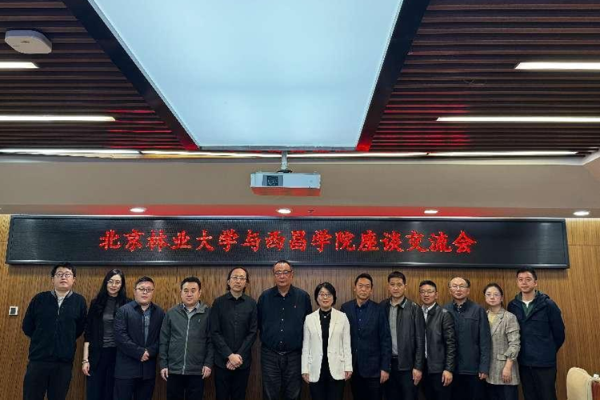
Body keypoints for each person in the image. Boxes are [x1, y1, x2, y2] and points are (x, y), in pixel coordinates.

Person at [22, 262, 87, 400]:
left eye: (67, 274)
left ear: (74, 279)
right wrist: (42, 339)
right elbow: (27, 326)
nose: (63, 277)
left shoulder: (79, 301)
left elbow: (79, 329)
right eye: (59, 274)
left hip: (63, 362)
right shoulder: (40, 299)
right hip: (38, 360)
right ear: (52, 279)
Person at [507, 267, 565, 400]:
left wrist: (548, 349)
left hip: (545, 362)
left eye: (528, 279)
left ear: (535, 282)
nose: (524, 282)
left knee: (548, 396)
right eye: (520, 279)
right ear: (517, 282)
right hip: (524, 362)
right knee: (529, 396)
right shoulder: (513, 305)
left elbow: (559, 333)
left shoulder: (548, 304)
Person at [257, 260, 312, 400]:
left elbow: (308, 326)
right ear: (274, 275)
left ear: (292, 274)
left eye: (285, 272)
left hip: (295, 355)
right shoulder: (264, 297)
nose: (282, 276)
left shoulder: (303, 297)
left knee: (294, 394)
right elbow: (259, 324)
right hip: (270, 354)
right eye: (278, 273)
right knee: (270, 394)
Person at [160, 276, 214, 400]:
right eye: (186, 291)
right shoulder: (171, 313)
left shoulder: (208, 313)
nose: (189, 294)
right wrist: (163, 364)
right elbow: (164, 340)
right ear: (181, 293)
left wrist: (208, 363)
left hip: (197, 370)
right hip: (174, 369)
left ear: (199, 293)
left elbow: (211, 341)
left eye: (193, 290)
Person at [341, 273, 392, 400]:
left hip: (374, 369)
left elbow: (385, 340)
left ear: (371, 290)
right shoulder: (345, 308)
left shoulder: (379, 309)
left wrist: (385, 368)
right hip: (354, 367)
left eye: (367, 286)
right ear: (355, 288)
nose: (363, 289)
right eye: (360, 286)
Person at [114, 276, 164, 400]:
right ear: (135, 291)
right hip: (126, 370)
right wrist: (139, 352)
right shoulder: (123, 311)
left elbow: (163, 338)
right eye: (141, 289)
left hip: (148, 370)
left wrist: (150, 351)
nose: (145, 292)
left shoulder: (160, 313)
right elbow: (120, 336)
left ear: (153, 292)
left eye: (149, 289)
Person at [210, 267, 257, 400]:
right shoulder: (218, 303)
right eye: (235, 277)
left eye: (242, 278)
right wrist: (230, 356)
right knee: (221, 396)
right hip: (222, 361)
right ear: (228, 282)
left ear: (246, 283)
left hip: (243, 362)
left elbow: (253, 332)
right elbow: (214, 332)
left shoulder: (252, 304)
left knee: (240, 396)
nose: (238, 281)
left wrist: (238, 356)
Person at [83, 269, 130, 400]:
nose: (114, 285)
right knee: (94, 393)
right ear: (106, 283)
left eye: (117, 282)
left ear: (122, 284)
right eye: (111, 281)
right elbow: (88, 333)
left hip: (118, 355)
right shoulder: (96, 303)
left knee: (112, 393)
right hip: (97, 354)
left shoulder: (128, 304)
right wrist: (85, 360)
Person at [301, 282, 352, 400]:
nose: (325, 297)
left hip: (337, 367)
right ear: (316, 297)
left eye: (328, 294)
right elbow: (306, 346)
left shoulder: (342, 317)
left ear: (333, 297)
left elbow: (346, 344)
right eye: (321, 294)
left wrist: (348, 367)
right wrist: (305, 369)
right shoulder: (309, 318)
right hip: (315, 368)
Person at [444, 277, 491, 400]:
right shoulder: (444, 310)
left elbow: (485, 341)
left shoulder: (478, 310)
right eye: (454, 286)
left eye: (462, 286)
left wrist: (484, 367)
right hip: (451, 369)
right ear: (450, 290)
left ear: (468, 290)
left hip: (473, 368)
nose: (458, 289)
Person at [380, 271, 425, 400]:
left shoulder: (414, 308)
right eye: (392, 284)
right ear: (388, 286)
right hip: (388, 365)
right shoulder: (382, 306)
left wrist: (418, 367)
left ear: (405, 286)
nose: (395, 288)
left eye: (399, 284)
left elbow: (420, 340)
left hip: (408, 366)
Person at [419, 280, 455, 400]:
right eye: (423, 292)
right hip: (422, 367)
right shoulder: (417, 312)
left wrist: (448, 369)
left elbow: (451, 344)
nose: (426, 294)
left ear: (436, 295)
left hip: (439, 369)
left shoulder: (444, 314)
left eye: (430, 291)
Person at [483, 283, 520, 400]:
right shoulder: (482, 316)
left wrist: (508, 367)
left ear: (502, 298)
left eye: (496, 294)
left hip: (505, 368)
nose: (492, 297)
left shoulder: (509, 317)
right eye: (488, 294)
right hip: (488, 371)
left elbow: (514, 344)